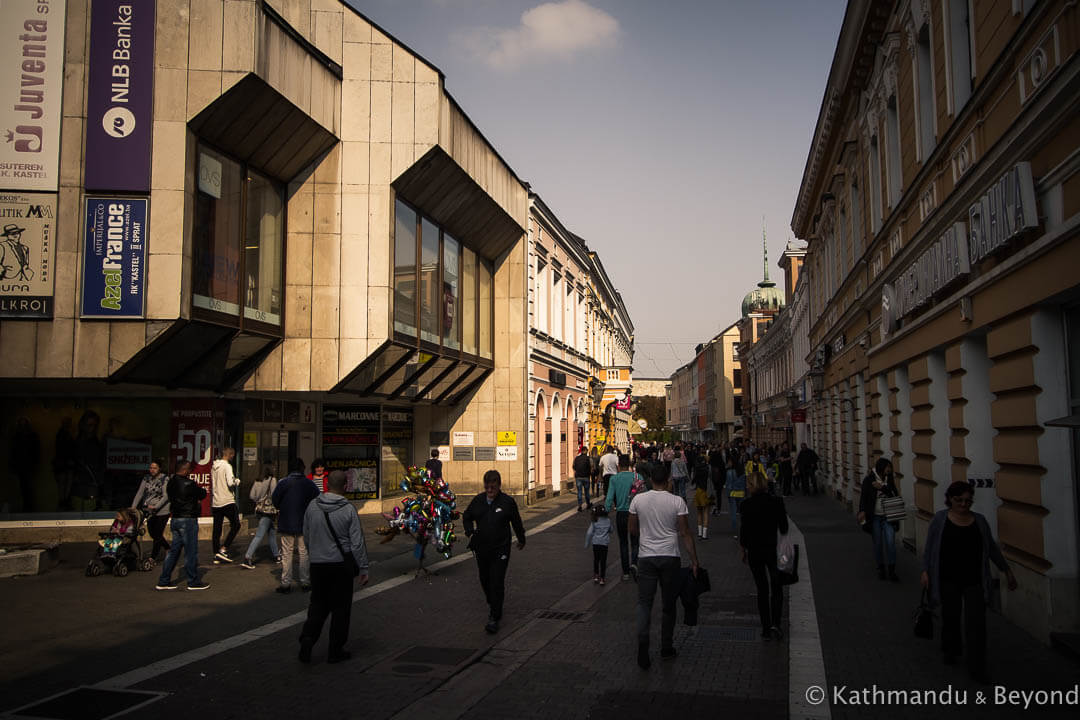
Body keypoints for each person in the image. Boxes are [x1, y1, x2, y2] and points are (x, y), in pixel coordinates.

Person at [921, 481, 1017, 682]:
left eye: (967, 500)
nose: (964, 504)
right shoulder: (940, 520)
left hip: (975, 580)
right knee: (951, 617)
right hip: (948, 578)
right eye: (959, 500)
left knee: (976, 625)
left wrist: (1006, 570)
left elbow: (991, 548)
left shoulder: (979, 521)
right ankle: (951, 648)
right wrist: (925, 571)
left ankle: (977, 666)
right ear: (950, 500)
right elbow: (930, 548)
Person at [629, 464, 698, 669]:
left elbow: (631, 529)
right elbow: (685, 533)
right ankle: (666, 647)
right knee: (668, 604)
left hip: (647, 557)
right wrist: (694, 560)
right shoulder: (677, 501)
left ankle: (643, 645)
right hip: (670, 557)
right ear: (668, 480)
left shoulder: (638, 500)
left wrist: (645, 538)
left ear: (651, 480)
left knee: (644, 603)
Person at [299, 470, 370, 664]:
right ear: (345, 486)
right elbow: (357, 543)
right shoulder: (348, 510)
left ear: (327, 485)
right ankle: (335, 649)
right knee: (341, 608)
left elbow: (306, 534)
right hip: (340, 566)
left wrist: (315, 552)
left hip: (318, 565)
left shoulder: (312, 506)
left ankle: (308, 637)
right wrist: (363, 568)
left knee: (318, 604)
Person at [462, 469, 526, 634]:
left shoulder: (507, 502)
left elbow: (516, 522)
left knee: (497, 581)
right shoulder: (478, 501)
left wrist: (521, 538)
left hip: (501, 548)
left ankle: (494, 617)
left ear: (499, 486)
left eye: (493, 487)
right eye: (487, 487)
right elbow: (467, 516)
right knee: (485, 580)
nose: (490, 491)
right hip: (482, 548)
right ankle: (493, 602)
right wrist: (470, 531)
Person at [739, 471, 788, 639]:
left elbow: (743, 531)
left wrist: (743, 549)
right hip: (774, 549)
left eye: (748, 484)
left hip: (755, 551)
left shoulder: (745, 505)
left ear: (752, 486)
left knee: (762, 589)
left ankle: (765, 628)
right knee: (777, 587)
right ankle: (776, 624)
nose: (746, 486)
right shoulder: (777, 502)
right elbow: (784, 528)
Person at [156, 460, 209, 591]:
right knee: (190, 551)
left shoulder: (171, 482)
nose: (190, 472)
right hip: (188, 519)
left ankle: (164, 580)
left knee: (174, 551)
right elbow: (202, 494)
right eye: (189, 469)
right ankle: (193, 581)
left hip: (175, 518)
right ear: (184, 470)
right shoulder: (188, 484)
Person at [273, 458, 320, 594]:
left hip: (286, 522)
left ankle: (285, 583)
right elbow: (316, 500)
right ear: (301, 468)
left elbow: (275, 500)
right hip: (304, 523)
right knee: (304, 552)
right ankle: (305, 582)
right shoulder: (308, 483)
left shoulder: (283, 483)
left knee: (286, 553)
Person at [857, 458, 901, 581]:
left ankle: (892, 570)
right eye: (887, 467)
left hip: (888, 516)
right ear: (881, 467)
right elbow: (864, 497)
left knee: (890, 543)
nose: (889, 469)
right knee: (878, 544)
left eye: (890, 467)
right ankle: (881, 568)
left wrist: (882, 488)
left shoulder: (889, 479)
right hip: (875, 517)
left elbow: (894, 495)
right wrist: (862, 511)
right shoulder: (869, 480)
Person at [605, 454, 640, 580]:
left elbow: (609, 498)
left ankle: (625, 572)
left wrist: (606, 511)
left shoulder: (614, 479)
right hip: (635, 514)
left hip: (621, 514)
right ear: (630, 465)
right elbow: (644, 495)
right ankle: (634, 564)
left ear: (619, 466)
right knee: (635, 542)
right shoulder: (637, 477)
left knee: (623, 543)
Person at [241, 466, 280, 569]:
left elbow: (252, 495)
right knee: (259, 535)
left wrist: (259, 500)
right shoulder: (272, 480)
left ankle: (276, 556)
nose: (275, 469)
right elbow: (274, 494)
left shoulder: (257, 481)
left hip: (260, 510)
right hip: (269, 511)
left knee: (272, 533)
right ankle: (247, 557)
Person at [131, 459, 170, 561]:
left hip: (162, 511)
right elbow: (140, 493)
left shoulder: (164, 479)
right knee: (152, 533)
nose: (152, 470)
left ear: (159, 469)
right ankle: (168, 548)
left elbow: (166, 496)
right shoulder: (146, 478)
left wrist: (156, 506)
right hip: (149, 510)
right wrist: (133, 507)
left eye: (155, 468)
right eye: (151, 468)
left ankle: (153, 557)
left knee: (157, 534)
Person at [210, 448, 240, 563]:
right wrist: (237, 481)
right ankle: (224, 548)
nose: (232, 457)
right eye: (232, 455)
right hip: (227, 501)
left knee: (216, 528)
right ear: (230, 455)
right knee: (236, 525)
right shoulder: (227, 466)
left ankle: (216, 552)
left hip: (216, 501)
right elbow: (230, 482)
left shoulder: (214, 467)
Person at [585, 504, 612, 585]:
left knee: (596, 559)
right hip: (604, 543)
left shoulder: (594, 521)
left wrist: (587, 543)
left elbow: (589, 532)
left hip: (596, 543)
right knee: (603, 561)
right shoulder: (608, 520)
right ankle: (602, 578)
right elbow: (611, 530)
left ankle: (596, 575)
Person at [691, 454, 712, 539]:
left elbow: (693, 481)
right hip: (705, 491)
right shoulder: (707, 468)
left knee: (699, 513)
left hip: (698, 491)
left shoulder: (697, 469)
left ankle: (699, 533)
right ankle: (704, 534)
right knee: (706, 513)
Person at [726, 457, 746, 536]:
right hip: (741, 493)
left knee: (733, 513)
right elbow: (744, 484)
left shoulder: (730, 472)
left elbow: (729, 485)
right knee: (742, 512)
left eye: (729, 462)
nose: (728, 463)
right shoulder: (742, 472)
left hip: (733, 494)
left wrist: (728, 494)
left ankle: (735, 532)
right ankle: (743, 529)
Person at [572, 446, 592, 511]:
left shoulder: (576, 458)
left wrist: (577, 471)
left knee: (579, 492)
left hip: (578, 477)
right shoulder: (588, 458)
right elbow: (592, 467)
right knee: (586, 492)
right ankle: (588, 504)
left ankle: (580, 505)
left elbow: (573, 466)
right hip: (586, 477)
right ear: (586, 451)